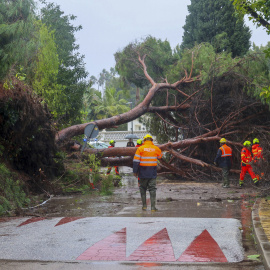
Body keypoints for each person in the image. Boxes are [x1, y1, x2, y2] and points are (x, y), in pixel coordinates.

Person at [133, 134, 162, 212]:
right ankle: (153, 207)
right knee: (152, 189)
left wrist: (135, 171)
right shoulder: (156, 148)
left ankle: (144, 206)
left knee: (142, 189)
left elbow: (136, 161)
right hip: (152, 172)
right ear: (151, 140)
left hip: (142, 172)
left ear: (144, 140)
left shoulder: (140, 149)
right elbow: (160, 156)